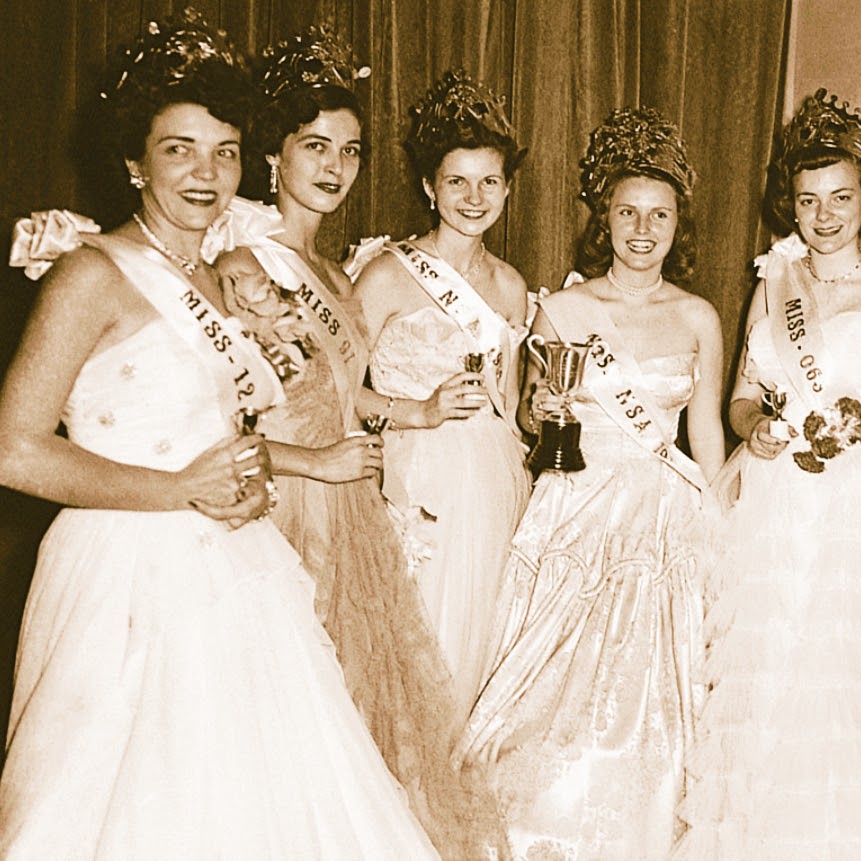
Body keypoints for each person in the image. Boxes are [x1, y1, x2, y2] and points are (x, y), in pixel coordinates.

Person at [0, 13, 437, 858]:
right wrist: (175, 491)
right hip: (127, 578)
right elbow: (14, 448)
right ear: (133, 161)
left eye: (225, 150)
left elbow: (220, 430)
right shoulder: (93, 274)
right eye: (179, 149)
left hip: (238, 567)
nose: (206, 172)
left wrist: (252, 476)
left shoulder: (220, 274)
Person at [211, 30, 506, 858]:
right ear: (273, 154)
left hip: (348, 507)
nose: (334, 167)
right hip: (283, 508)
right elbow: (222, 422)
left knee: (348, 720)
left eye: (349, 150)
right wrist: (315, 462)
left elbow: (347, 396)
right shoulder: (244, 264)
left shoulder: (335, 272)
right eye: (314, 147)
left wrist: (412, 415)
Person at [673, 89, 861, 860]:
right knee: (771, 665)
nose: (823, 216)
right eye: (806, 200)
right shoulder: (773, 282)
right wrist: (753, 425)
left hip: (860, 510)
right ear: (788, 205)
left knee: (845, 681)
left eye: (840, 198)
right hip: (776, 501)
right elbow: (739, 397)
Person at [458, 107, 725, 860]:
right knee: (552, 694)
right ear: (602, 220)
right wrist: (540, 407)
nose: (643, 229)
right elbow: (528, 414)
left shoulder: (698, 315)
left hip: (665, 516)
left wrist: (719, 533)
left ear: (679, 224)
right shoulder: (562, 309)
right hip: (578, 504)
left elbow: (704, 433)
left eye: (659, 215)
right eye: (627, 212)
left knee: (654, 696)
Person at [349, 69, 532, 718]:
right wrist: (418, 412)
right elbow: (337, 396)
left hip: (494, 484)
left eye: (489, 181)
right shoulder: (384, 275)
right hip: (414, 478)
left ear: (508, 187)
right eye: (457, 180)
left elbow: (514, 411)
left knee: (483, 637)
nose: (474, 196)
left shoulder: (511, 287)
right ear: (430, 187)